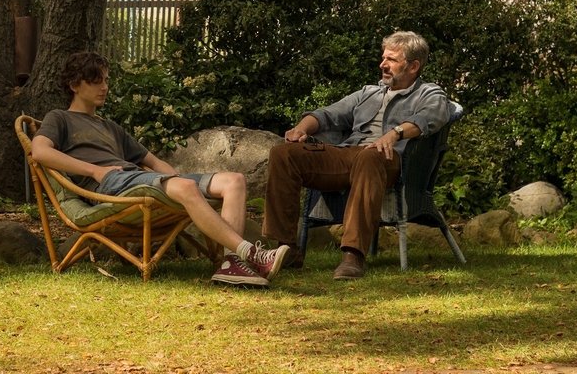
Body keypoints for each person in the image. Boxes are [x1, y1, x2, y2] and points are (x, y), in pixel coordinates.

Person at [32, 51, 290, 287]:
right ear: (74, 85)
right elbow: (40, 151)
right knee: (186, 186)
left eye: (106, 80)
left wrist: (177, 183)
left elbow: (154, 162)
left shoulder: (110, 127)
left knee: (233, 181)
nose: (105, 87)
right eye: (96, 81)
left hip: (139, 178)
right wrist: (94, 171)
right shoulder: (59, 118)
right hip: (110, 184)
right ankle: (251, 254)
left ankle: (232, 266)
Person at [262, 31, 451, 280]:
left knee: (370, 155)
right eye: (383, 58)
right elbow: (327, 114)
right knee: (284, 154)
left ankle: (353, 255)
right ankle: (286, 250)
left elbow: (433, 117)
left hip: (389, 159)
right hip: (349, 154)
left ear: (413, 66)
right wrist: (301, 128)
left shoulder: (429, 93)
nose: (383, 64)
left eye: (391, 60)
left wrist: (394, 134)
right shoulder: (368, 93)